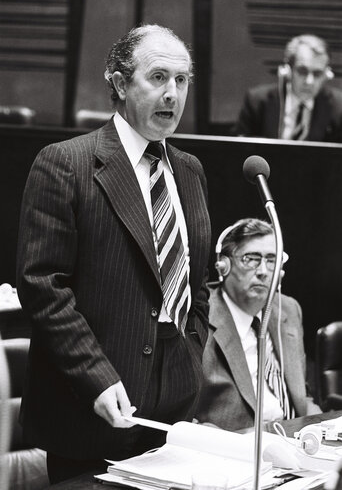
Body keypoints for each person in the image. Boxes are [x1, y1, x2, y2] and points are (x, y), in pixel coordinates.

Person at [16, 24, 211, 484]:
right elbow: (44, 287)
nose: (172, 94)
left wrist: (189, 361)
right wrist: (95, 376)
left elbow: (196, 283)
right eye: (158, 77)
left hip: (173, 412)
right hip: (94, 409)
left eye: (181, 81)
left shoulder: (189, 170)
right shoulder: (66, 162)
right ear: (120, 84)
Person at [195, 218, 321, 432]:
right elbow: (189, 416)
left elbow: (303, 396)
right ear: (223, 265)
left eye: (272, 260)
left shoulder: (288, 309)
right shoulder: (201, 314)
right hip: (235, 448)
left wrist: (326, 428)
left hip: (294, 439)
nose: (263, 271)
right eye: (251, 259)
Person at [235, 34, 342, 142]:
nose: (309, 81)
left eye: (317, 74)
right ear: (288, 71)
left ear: (326, 75)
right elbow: (238, 150)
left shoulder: (339, 107)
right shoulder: (256, 101)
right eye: (302, 71)